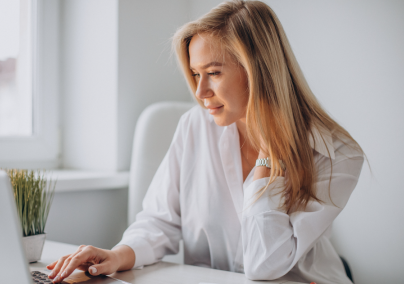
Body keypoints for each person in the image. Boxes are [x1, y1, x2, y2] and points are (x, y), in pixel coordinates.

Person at [47, 1, 364, 283]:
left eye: (213, 72)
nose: (200, 93)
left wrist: (267, 159)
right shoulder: (194, 126)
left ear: (259, 71)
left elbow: (264, 265)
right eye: (196, 74)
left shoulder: (336, 153)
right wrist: (118, 255)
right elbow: (159, 220)